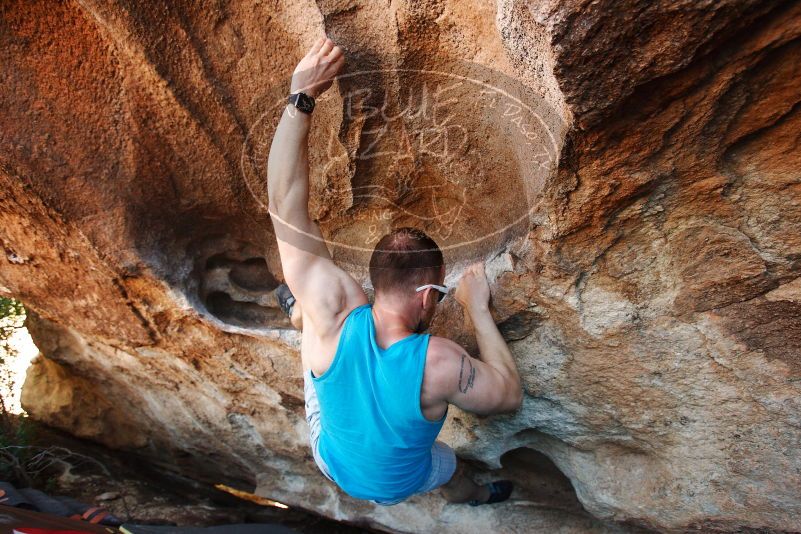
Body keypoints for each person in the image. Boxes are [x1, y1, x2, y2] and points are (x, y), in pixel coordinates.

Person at [267, 36, 523, 506]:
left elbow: (284, 203)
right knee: (448, 469)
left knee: (313, 316)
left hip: (331, 459)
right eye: (443, 293)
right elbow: (507, 396)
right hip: (399, 482)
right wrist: (477, 309)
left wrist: (301, 96)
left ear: (373, 279)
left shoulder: (338, 307)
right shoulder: (439, 363)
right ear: (428, 295)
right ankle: (474, 498)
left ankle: (297, 311)